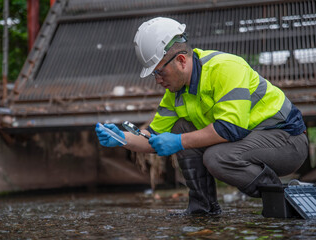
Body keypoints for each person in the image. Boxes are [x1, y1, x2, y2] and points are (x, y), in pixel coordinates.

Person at [95, 17, 309, 215]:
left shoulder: (225, 68)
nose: (157, 80)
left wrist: (179, 142)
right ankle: (203, 208)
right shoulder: (176, 92)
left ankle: (283, 197)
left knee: (216, 157)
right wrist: (121, 138)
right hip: (248, 142)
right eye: (154, 74)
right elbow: (152, 136)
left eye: (159, 72)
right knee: (181, 127)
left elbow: (231, 128)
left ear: (180, 60)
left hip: (287, 141)